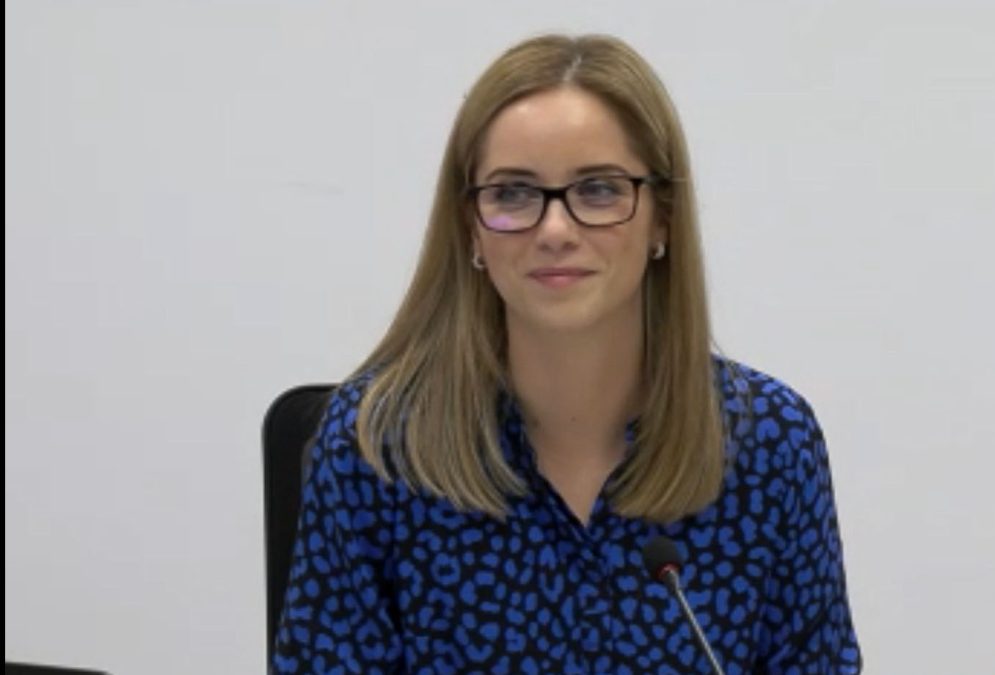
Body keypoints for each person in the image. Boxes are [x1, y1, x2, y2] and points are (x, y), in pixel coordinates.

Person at [271, 34, 861, 674]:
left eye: (599, 190)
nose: (555, 230)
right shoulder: (377, 446)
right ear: (471, 227)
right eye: (513, 193)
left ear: (662, 218)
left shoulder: (767, 442)